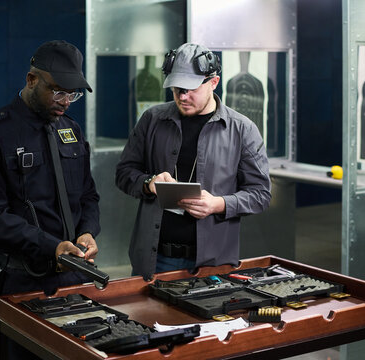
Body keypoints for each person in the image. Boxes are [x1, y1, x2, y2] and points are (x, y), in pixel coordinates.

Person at [0, 40, 100, 319]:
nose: (65, 102)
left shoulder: (71, 129)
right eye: (58, 92)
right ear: (31, 80)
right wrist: (51, 247)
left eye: (73, 95)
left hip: (73, 275)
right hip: (21, 278)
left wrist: (88, 230)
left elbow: (88, 194)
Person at [115, 43, 271, 280]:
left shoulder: (242, 129)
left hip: (212, 263)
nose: (182, 96)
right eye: (177, 89)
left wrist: (219, 204)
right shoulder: (152, 120)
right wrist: (149, 182)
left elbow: (261, 194)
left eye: (190, 88)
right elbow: (124, 173)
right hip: (154, 260)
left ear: (213, 83)